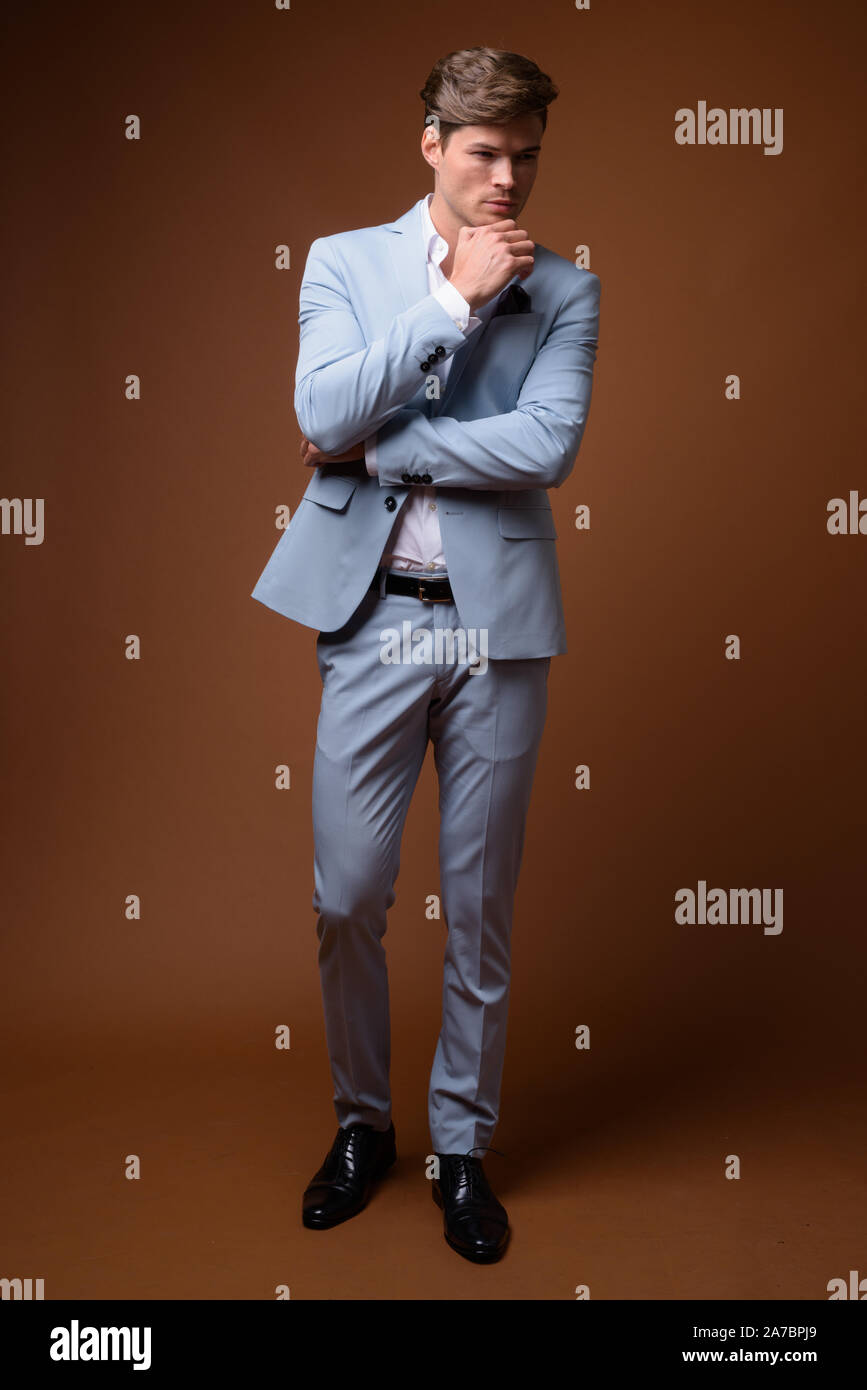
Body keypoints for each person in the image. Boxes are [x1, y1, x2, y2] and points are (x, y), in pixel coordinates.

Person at [251, 45, 601, 1264]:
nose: (508, 179)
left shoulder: (566, 290)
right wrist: (451, 301)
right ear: (434, 147)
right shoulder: (346, 263)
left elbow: (547, 444)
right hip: (377, 615)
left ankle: (462, 1147)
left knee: (483, 908)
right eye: (485, 153)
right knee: (346, 895)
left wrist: (383, 449)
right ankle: (363, 1124)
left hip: (499, 624)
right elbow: (318, 413)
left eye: (526, 156)